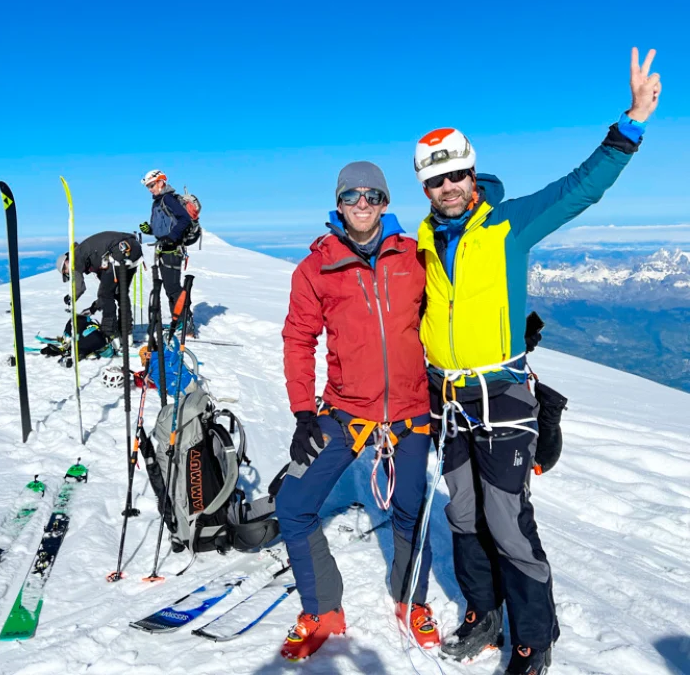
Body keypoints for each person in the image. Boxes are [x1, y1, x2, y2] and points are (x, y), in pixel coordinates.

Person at [414, 48, 661, 675]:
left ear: (472, 174)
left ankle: (533, 639)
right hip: (447, 399)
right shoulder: (418, 242)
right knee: (463, 513)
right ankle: (482, 612)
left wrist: (629, 124)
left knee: (507, 520)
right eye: (435, 180)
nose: (447, 188)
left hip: (501, 394)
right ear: (426, 187)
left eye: (456, 175)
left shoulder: (507, 223)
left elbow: (579, 190)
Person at [276, 161, 435, 662]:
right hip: (345, 414)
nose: (363, 204)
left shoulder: (416, 256)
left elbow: (453, 310)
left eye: (373, 196)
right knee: (292, 505)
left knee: (412, 509)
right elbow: (299, 339)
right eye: (352, 196)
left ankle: (412, 601)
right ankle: (323, 611)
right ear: (338, 204)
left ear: (386, 203)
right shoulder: (316, 266)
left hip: (411, 413)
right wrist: (304, 411)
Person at [57, 230, 142, 339]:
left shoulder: (76, 257)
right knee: (118, 293)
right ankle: (126, 333)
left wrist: (71, 297)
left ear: (67, 261)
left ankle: (110, 334)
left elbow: (80, 287)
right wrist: (94, 307)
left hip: (119, 250)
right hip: (133, 248)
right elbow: (107, 289)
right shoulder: (91, 258)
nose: (68, 272)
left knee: (106, 294)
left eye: (65, 270)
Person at [139, 169, 195, 335]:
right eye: (148, 186)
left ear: (161, 182)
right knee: (170, 289)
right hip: (164, 248)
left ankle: (186, 322)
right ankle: (177, 321)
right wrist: (149, 229)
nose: (150, 189)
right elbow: (160, 228)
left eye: (152, 185)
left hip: (173, 249)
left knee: (173, 288)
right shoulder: (157, 203)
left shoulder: (168, 199)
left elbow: (185, 219)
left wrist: (172, 237)